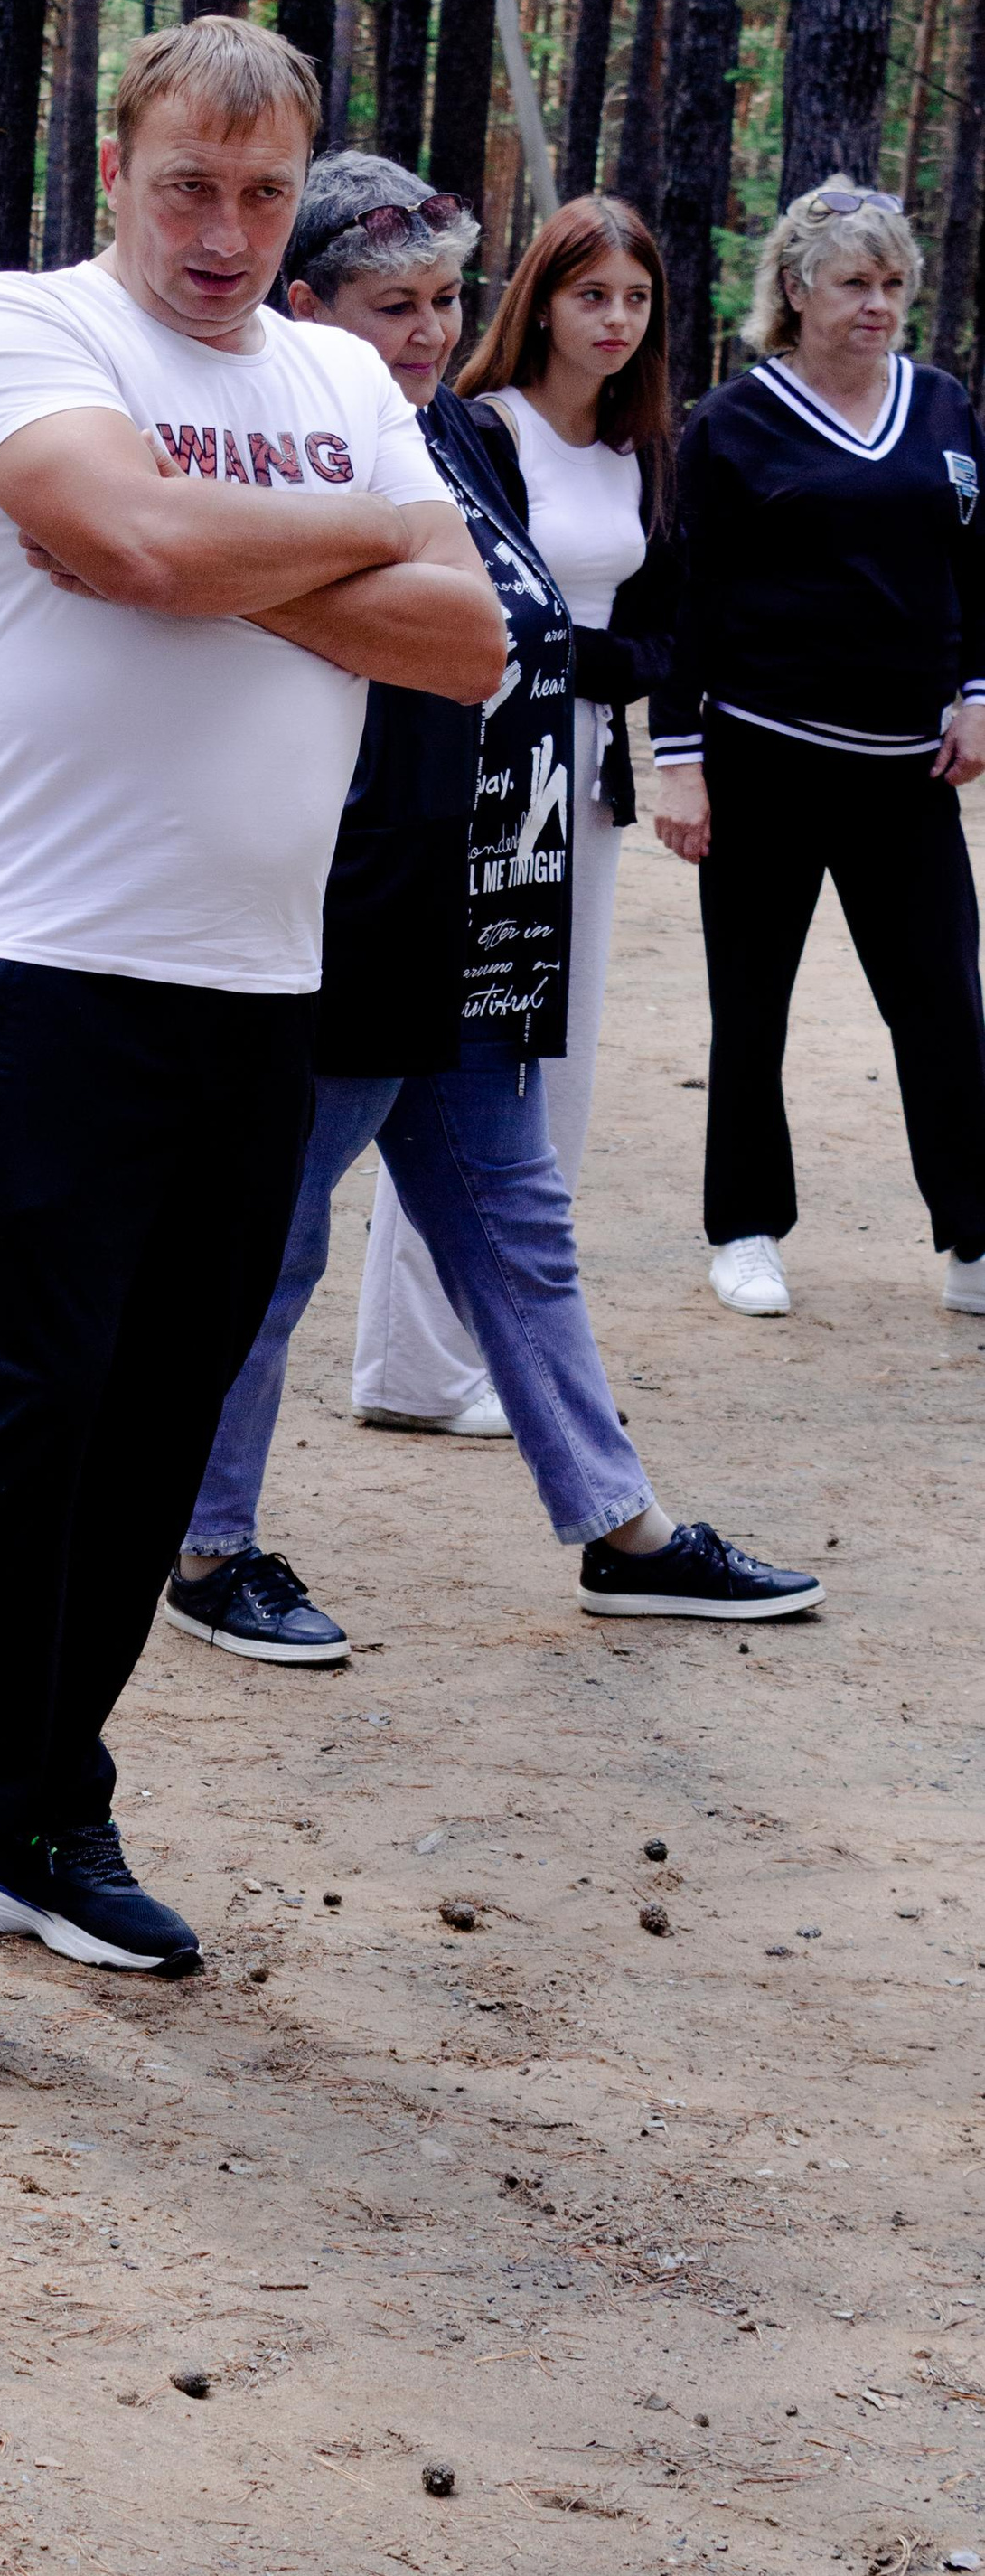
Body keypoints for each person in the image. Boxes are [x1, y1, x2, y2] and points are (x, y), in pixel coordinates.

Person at [0, 21, 504, 2073]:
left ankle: (34, 1804)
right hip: (50, 962)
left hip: (259, 985)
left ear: (299, 197)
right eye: (184, 183)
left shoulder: (329, 375)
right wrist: (331, 545)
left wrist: (227, 550)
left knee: (156, 1411)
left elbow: (466, 640)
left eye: (259, 193)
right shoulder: (22, 329)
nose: (218, 231)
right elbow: (129, 549)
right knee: (20, 1407)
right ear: (115, 162)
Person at [160, 155, 822, 1669]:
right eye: (390, 304)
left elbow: (541, 635)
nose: (423, 332)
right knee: (272, 1244)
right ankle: (205, 1544)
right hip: (331, 911)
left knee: (520, 1229)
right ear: (301, 301)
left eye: (444, 300)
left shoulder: (459, 437)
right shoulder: (270, 446)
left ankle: (620, 1528)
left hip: (476, 903)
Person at [349, 196, 678, 1433]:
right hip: (480, 773)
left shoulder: (647, 447)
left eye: (636, 300)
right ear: (540, 297)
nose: (614, 320)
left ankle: (482, 1354)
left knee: (555, 1063)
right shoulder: (478, 430)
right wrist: (586, 658)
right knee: (461, 1054)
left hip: (581, 785)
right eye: (592, 294)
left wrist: (603, 667)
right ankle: (414, 1367)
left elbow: (667, 632)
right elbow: (484, 611)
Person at [650, 178, 985, 1318]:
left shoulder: (940, 407)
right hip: (763, 762)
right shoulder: (729, 426)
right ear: (794, 292)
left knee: (945, 1004)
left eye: (892, 283)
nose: (877, 303)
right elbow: (685, 601)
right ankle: (745, 1229)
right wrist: (680, 759)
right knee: (752, 1005)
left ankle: (974, 1241)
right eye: (853, 283)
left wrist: (976, 694)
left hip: (906, 774)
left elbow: (975, 570)